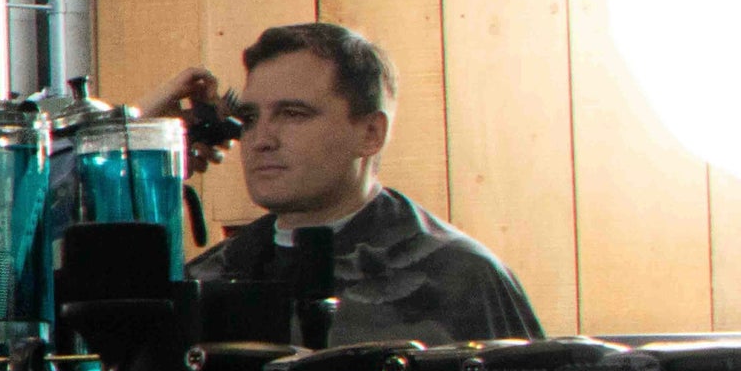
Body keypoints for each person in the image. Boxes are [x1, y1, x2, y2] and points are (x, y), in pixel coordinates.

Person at [159, 23, 542, 345]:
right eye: (251, 118)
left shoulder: (461, 279)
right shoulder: (205, 282)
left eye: (293, 114)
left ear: (371, 133)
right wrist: (136, 142)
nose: (261, 139)